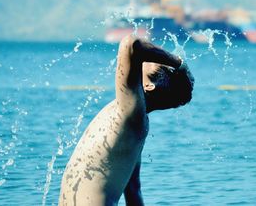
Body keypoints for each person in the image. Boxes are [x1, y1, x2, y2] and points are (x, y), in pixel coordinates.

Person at [59, 35, 194, 205]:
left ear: (150, 86)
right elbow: (133, 191)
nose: (149, 56)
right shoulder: (137, 123)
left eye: (152, 61)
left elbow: (131, 44)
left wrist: (179, 63)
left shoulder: (132, 113)